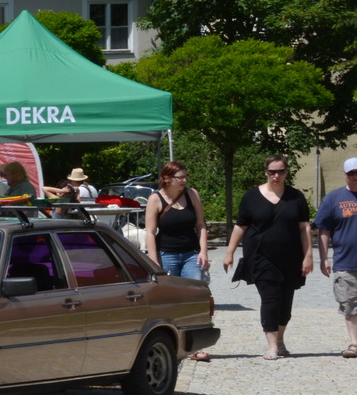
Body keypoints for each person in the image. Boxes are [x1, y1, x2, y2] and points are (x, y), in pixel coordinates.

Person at [224, 155, 312, 360]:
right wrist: (230, 252)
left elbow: (304, 228)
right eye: (272, 172)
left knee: (285, 302)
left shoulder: (296, 197)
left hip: (291, 257)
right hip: (260, 257)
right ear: (266, 172)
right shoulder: (251, 197)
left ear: (286, 172)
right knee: (270, 298)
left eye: (281, 171)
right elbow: (241, 226)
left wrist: (308, 256)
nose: (276, 175)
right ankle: (272, 345)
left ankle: (280, 341)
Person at [144, 162, 211, 362]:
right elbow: (150, 231)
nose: (183, 180)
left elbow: (201, 225)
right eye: (179, 177)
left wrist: (204, 251)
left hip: (191, 253)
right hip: (167, 254)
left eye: (184, 177)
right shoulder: (155, 199)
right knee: (170, 301)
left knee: (195, 298)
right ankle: (173, 344)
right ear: (166, 179)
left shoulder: (192, 194)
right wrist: (154, 260)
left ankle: (196, 346)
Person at [314, 157, 357, 359]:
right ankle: (355, 344)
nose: (355, 176)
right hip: (346, 261)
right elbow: (324, 230)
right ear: (345, 175)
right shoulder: (333, 198)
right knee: (349, 304)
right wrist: (324, 258)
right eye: (351, 173)